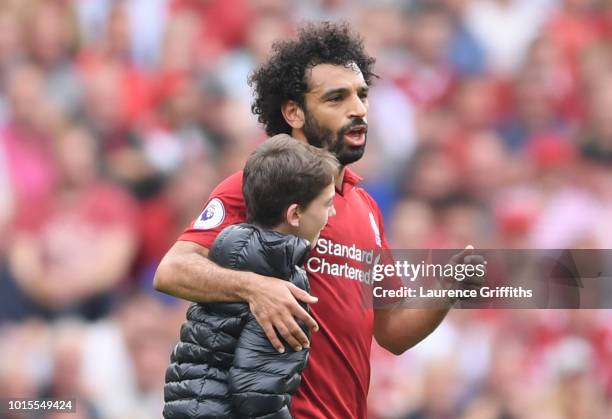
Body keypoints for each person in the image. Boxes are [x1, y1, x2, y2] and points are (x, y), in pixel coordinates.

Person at [155, 22, 472, 418]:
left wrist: (446, 289)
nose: (357, 109)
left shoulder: (366, 208)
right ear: (294, 111)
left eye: (361, 95)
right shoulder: (257, 185)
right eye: (336, 98)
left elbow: (392, 332)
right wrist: (255, 288)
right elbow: (172, 270)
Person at [163, 134, 338, 418]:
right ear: (294, 214)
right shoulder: (283, 284)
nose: (333, 212)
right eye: (327, 203)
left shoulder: (227, 250)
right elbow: (257, 395)